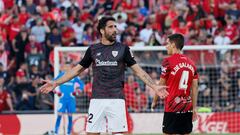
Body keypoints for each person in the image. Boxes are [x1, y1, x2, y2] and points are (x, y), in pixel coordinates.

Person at [40, 16, 168, 135]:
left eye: (115, 27)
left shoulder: (124, 49)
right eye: (111, 27)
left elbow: (138, 70)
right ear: (102, 30)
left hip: (116, 100)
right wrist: (56, 83)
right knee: (91, 133)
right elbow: (76, 70)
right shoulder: (93, 49)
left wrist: (154, 86)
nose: (115, 30)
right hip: (97, 99)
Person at [151, 33, 199, 135]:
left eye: (167, 43)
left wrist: (154, 101)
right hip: (187, 107)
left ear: (173, 44)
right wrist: (194, 107)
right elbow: (194, 88)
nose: (166, 46)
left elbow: (161, 84)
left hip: (172, 106)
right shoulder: (192, 63)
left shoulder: (168, 61)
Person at [54, 62, 84, 135]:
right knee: (59, 115)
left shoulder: (74, 76)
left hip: (71, 99)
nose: (66, 68)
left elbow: (81, 84)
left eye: (68, 67)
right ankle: (56, 132)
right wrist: (57, 92)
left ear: (70, 67)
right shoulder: (61, 75)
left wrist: (78, 90)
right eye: (65, 67)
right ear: (63, 67)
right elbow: (53, 83)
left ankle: (68, 132)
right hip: (63, 98)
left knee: (70, 116)